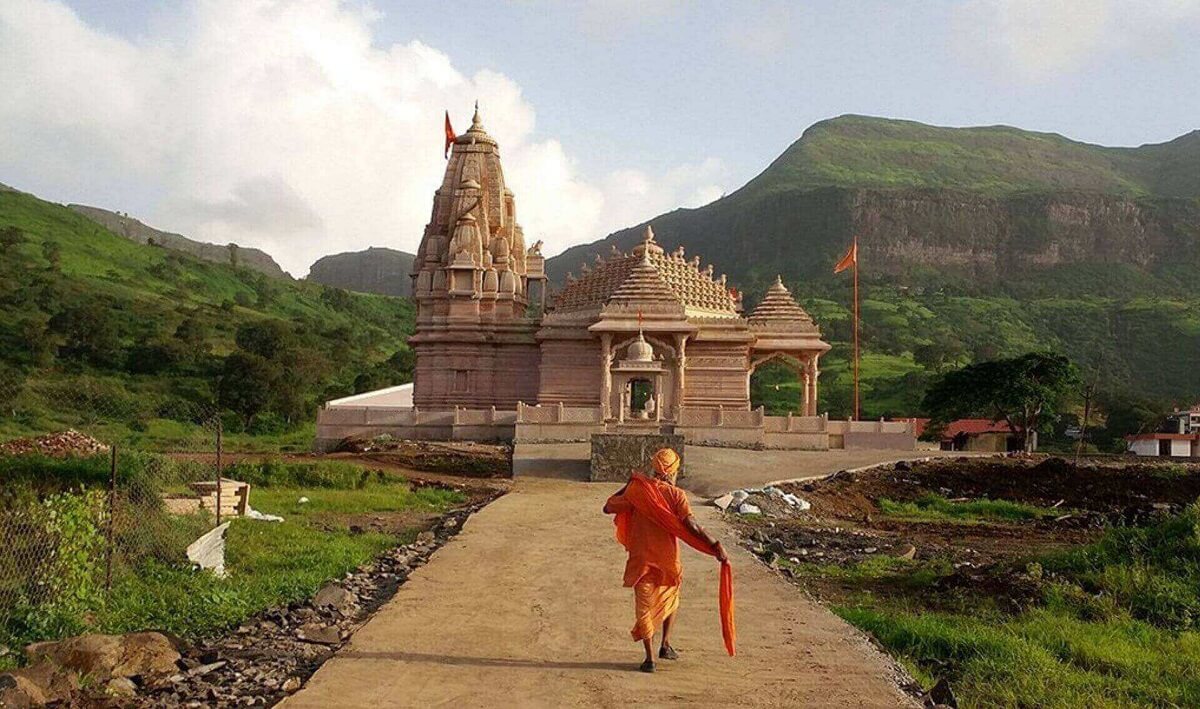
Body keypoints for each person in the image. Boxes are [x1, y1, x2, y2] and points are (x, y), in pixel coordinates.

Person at [603, 447, 729, 673]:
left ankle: (650, 659)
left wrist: (629, 484)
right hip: (668, 560)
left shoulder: (637, 491)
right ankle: (665, 644)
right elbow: (691, 525)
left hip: (641, 560)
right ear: (673, 471)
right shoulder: (677, 495)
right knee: (670, 598)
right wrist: (714, 544)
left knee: (644, 607)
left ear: (654, 468)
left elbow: (608, 506)